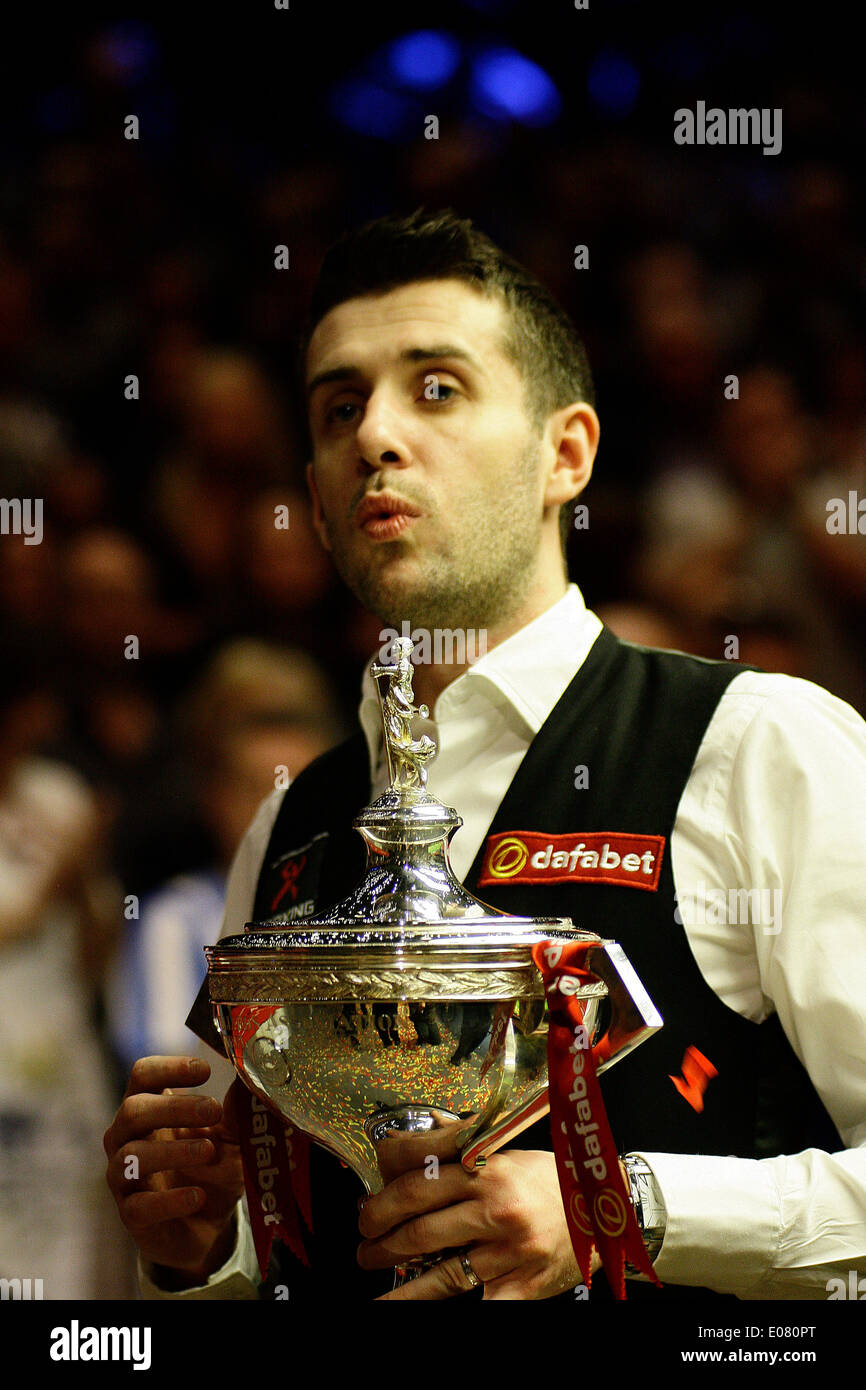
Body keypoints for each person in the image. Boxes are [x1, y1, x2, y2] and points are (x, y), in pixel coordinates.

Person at [104, 209, 866, 1302]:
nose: (375, 433)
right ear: (316, 503)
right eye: (338, 406)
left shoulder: (759, 744)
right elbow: (274, 1251)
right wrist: (198, 1241)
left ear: (566, 454)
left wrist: (626, 1210)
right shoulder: (291, 826)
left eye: (437, 387)